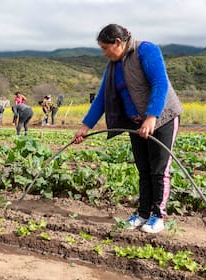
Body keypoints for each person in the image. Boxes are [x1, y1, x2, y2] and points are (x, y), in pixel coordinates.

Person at [73, 24, 183, 234]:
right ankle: (143, 214)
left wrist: (152, 117)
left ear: (118, 42)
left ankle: (158, 216)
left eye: (106, 48)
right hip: (136, 123)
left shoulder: (146, 50)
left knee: (159, 170)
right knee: (143, 169)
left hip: (163, 118)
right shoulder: (112, 67)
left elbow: (160, 83)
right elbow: (101, 99)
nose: (104, 53)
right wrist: (85, 127)